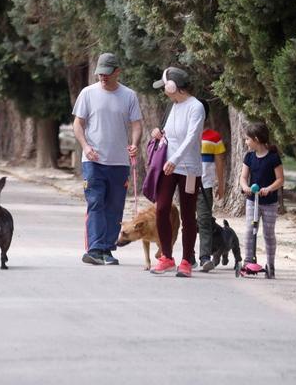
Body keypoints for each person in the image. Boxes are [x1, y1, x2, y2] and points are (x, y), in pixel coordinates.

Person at [71, 52, 142, 265]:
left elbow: (137, 124)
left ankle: (107, 249)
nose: (103, 77)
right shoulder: (88, 93)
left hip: (119, 162)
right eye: (100, 73)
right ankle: (94, 249)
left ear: (117, 72)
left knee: (114, 206)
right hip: (92, 161)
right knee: (95, 203)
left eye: (107, 73)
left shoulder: (129, 95)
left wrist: (135, 144)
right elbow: (78, 124)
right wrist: (85, 146)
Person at [149, 66, 205, 277]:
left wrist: (175, 159)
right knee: (162, 208)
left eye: (164, 86)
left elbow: (191, 138)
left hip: (188, 168)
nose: (163, 90)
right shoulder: (173, 106)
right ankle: (167, 256)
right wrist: (159, 133)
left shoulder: (195, 107)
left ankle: (186, 260)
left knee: (188, 215)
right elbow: (171, 135)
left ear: (173, 87)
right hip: (168, 165)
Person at [239, 121, 285, 277]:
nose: (246, 142)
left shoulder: (273, 158)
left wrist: (268, 189)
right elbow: (243, 177)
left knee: (268, 233)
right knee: (250, 231)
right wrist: (245, 187)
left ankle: (270, 265)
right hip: (253, 200)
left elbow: (280, 179)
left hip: (269, 202)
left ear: (256, 139)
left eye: (247, 139)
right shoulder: (249, 157)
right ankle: (247, 262)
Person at [197, 127, 227, 272]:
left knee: (204, 220)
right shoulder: (183, 131)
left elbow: (220, 162)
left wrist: (221, 185)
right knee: (188, 221)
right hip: (185, 183)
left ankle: (205, 258)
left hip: (205, 186)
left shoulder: (214, 137)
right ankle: (188, 256)